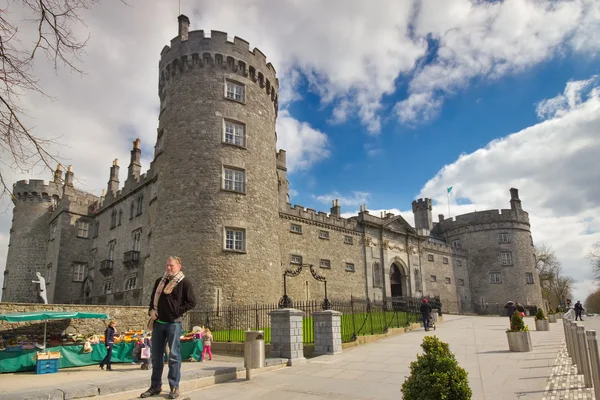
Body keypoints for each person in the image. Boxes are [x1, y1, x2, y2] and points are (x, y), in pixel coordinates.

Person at [141, 256, 196, 399]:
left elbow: (191, 302)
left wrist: (176, 312)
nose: (168, 268)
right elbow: (152, 301)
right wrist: (151, 311)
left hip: (173, 324)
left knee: (174, 356)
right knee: (156, 357)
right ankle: (155, 386)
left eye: (171, 265)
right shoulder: (159, 281)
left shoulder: (184, 282)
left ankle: (174, 387)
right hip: (158, 324)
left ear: (179, 266)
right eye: (167, 265)